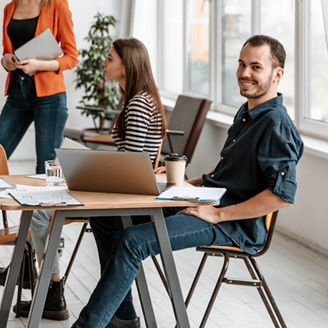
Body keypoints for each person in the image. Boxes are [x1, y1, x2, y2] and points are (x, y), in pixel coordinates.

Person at [71, 34, 304, 328]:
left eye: (256, 67)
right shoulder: (247, 113)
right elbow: (223, 176)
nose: (245, 73)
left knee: (134, 240)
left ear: (277, 74)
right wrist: (181, 182)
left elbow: (281, 195)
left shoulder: (276, 124)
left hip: (235, 223)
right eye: (242, 64)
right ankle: (123, 317)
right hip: (210, 202)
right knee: (109, 217)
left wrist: (217, 214)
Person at [7, 37, 166, 322]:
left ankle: (53, 289)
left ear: (127, 66)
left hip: (128, 199)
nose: (104, 62)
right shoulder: (136, 100)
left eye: (110, 58)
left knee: (42, 213)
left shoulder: (139, 103)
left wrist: (87, 169)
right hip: (124, 193)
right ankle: (121, 314)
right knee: (54, 207)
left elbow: (132, 164)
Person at [0, 0, 77, 321]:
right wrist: (7, 61)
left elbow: (70, 56)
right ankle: (29, 260)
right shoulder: (9, 8)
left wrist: (39, 66)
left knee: (46, 181)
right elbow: (10, 53)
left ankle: (49, 282)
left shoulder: (57, 4)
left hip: (49, 96)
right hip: (17, 92)